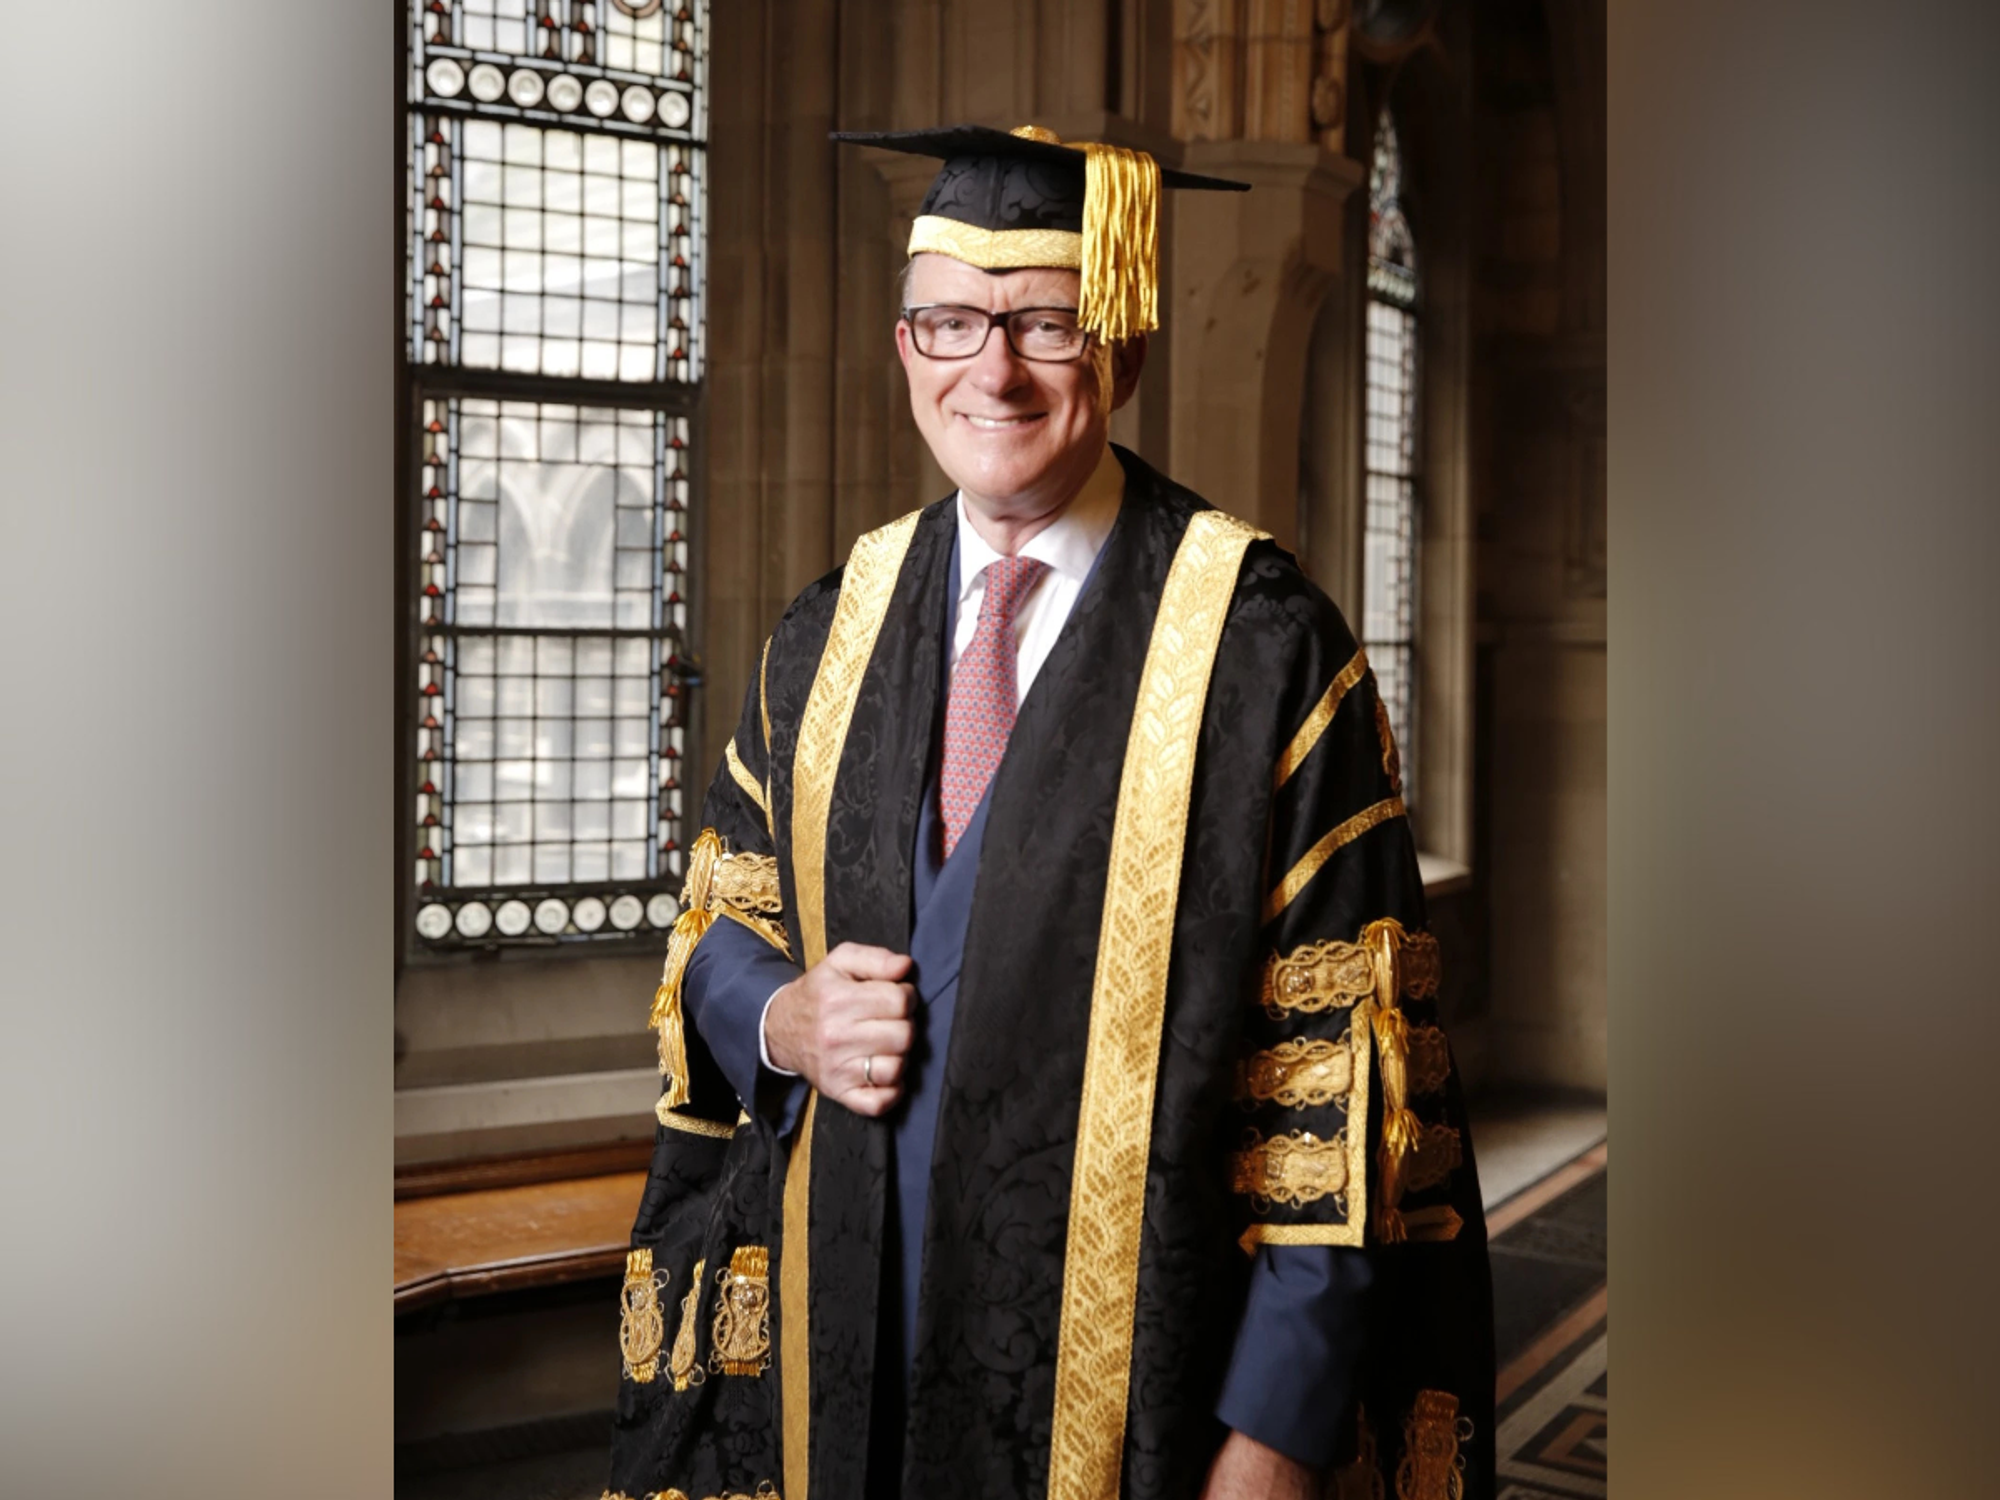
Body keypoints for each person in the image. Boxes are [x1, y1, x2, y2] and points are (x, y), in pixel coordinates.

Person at [605, 124, 1493, 1500]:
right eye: (951, 323)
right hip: (846, 1360)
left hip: (1151, 1394)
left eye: (1047, 326)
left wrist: (1275, 1441)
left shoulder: (1264, 648)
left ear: (1123, 348)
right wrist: (783, 1018)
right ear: (906, 348)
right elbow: (717, 933)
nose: (994, 371)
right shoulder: (826, 632)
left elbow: (1347, 1078)